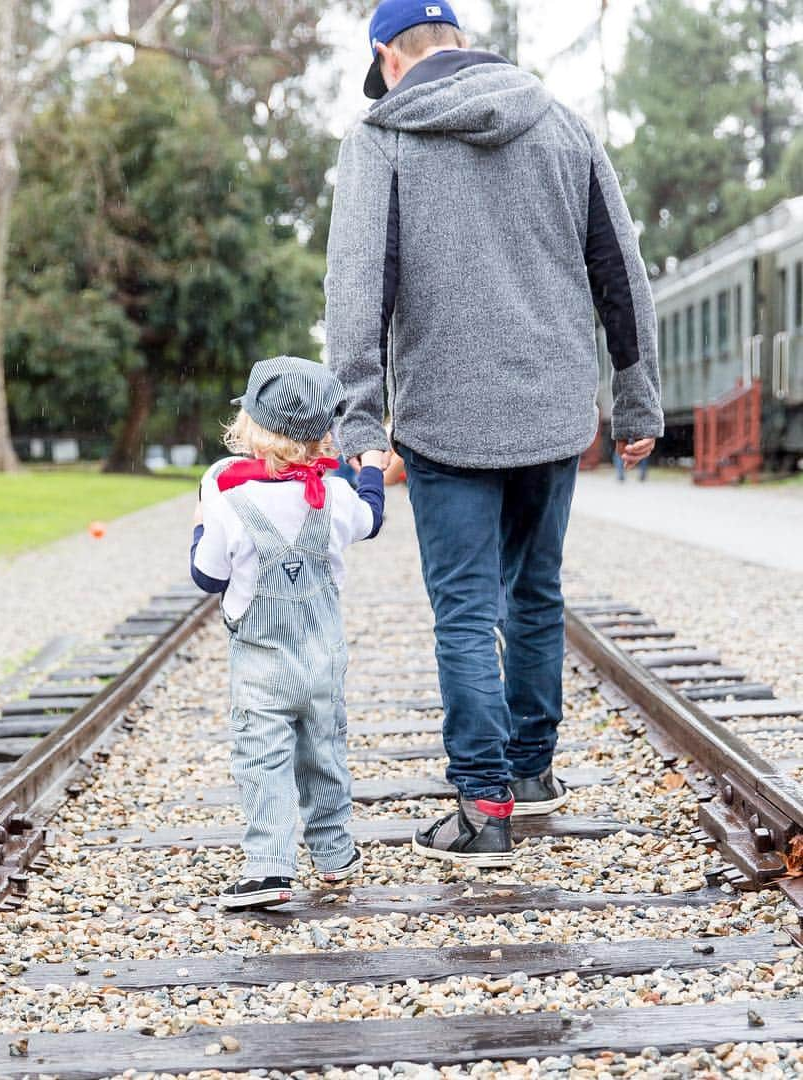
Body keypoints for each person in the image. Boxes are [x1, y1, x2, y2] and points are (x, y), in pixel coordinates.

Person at [325, 0, 663, 867]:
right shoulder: (564, 126)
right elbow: (620, 272)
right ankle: (534, 772)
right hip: (553, 412)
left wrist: (361, 425)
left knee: (467, 612)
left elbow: (357, 294)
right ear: (463, 46)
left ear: (387, 59)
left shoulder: (383, 138)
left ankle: (485, 808)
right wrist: (636, 402)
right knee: (536, 595)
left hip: (446, 417)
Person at [190, 356, 386, 908]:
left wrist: (200, 521)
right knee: (324, 751)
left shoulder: (228, 498)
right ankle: (334, 851)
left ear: (249, 425)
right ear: (324, 433)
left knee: (263, 759)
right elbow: (373, 518)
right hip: (322, 661)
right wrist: (370, 467)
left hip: (260, 666)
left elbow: (207, 575)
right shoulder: (335, 493)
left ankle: (269, 866)